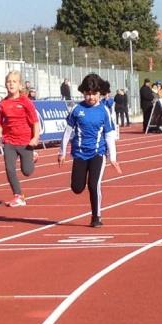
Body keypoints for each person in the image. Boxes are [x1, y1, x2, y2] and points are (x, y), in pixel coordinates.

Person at [58, 73, 122, 227]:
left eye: (94, 94)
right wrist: (62, 152)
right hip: (79, 154)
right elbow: (67, 132)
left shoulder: (104, 111)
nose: (91, 97)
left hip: (97, 153)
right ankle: (83, 192)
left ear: (100, 93)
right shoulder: (77, 109)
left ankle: (96, 217)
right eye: (87, 94)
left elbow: (109, 135)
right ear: (83, 93)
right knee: (77, 188)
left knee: (93, 185)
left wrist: (112, 157)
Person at [0, 70, 40, 207]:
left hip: (25, 142)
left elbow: (35, 122)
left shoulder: (26, 102)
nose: (11, 84)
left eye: (14, 81)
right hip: (9, 141)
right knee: (9, 169)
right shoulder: (2, 104)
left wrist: (35, 137)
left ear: (20, 85)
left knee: (27, 171)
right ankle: (18, 196)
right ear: (5, 85)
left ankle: (33, 156)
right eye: (9, 82)